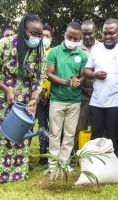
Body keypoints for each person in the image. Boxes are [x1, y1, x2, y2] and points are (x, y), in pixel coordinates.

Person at [0, 14, 46, 183]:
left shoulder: (39, 51)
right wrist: (6, 89)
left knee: (21, 134)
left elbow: (39, 78)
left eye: (39, 34)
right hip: (3, 98)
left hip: (26, 99)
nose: (37, 38)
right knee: (2, 132)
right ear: (23, 30)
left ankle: (18, 173)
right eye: (33, 33)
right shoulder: (3, 44)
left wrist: (34, 99)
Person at [84, 19, 118, 153]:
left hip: (116, 100)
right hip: (96, 101)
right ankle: (95, 162)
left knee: (112, 134)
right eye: (105, 33)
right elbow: (86, 71)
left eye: (111, 33)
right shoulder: (96, 50)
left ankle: (110, 163)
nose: (107, 36)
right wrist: (95, 75)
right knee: (96, 134)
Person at [46, 22, 87, 169]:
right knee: (55, 133)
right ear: (65, 34)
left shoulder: (82, 55)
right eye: (70, 37)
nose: (73, 41)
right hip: (57, 99)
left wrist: (79, 82)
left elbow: (83, 76)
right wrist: (65, 82)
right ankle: (53, 164)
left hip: (74, 100)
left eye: (76, 39)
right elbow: (49, 74)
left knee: (70, 134)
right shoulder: (54, 52)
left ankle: (63, 163)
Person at [73, 20, 101, 153]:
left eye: (90, 33)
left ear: (95, 32)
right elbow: (72, 72)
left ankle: (98, 152)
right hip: (81, 94)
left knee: (98, 126)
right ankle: (77, 154)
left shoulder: (102, 47)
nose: (87, 36)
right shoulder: (75, 48)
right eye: (84, 34)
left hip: (99, 93)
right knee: (79, 125)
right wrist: (83, 88)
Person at [36, 24, 53, 166]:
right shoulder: (34, 52)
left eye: (47, 36)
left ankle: (52, 154)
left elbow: (54, 75)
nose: (45, 38)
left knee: (53, 126)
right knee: (42, 125)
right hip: (38, 96)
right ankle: (42, 155)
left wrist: (48, 93)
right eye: (42, 36)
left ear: (51, 39)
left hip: (52, 97)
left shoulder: (54, 53)